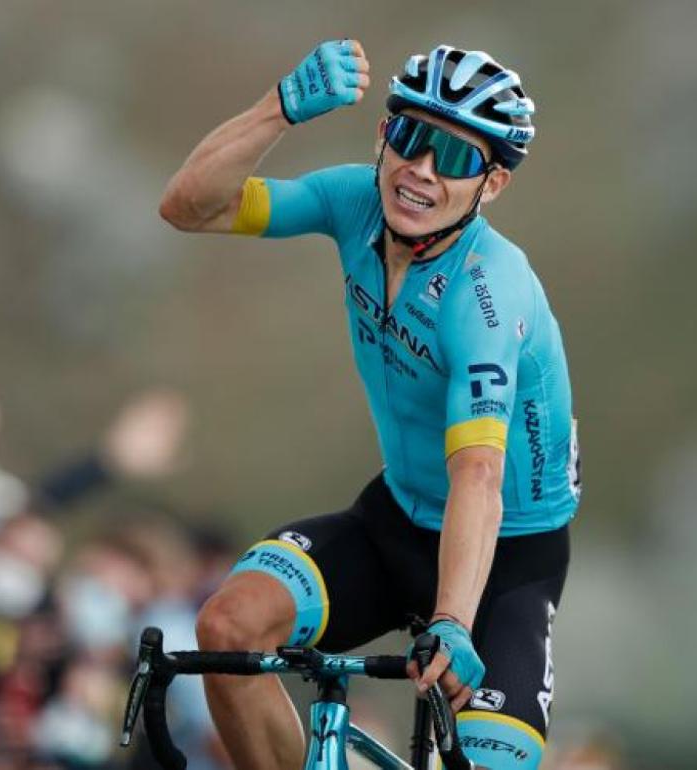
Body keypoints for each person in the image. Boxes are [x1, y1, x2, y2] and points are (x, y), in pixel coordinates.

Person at [160, 41, 579, 770]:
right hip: (396, 520)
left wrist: (453, 620)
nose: (422, 170)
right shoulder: (353, 201)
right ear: (384, 135)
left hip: (505, 560)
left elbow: (478, 471)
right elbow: (188, 207)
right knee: (229, 626)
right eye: (411, 137)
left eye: (455, 156)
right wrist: (277, 109)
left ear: (493, 184)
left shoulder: (489, 291)